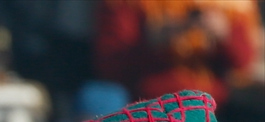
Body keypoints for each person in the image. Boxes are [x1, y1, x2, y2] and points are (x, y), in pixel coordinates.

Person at [94, 0, 262, 105]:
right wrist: (152, 41)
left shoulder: (232, 5)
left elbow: (243, 62)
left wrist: (224, 33)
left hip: (207, 108)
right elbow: (110, 64)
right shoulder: (128, 4)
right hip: (144, 103)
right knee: (97, 98)